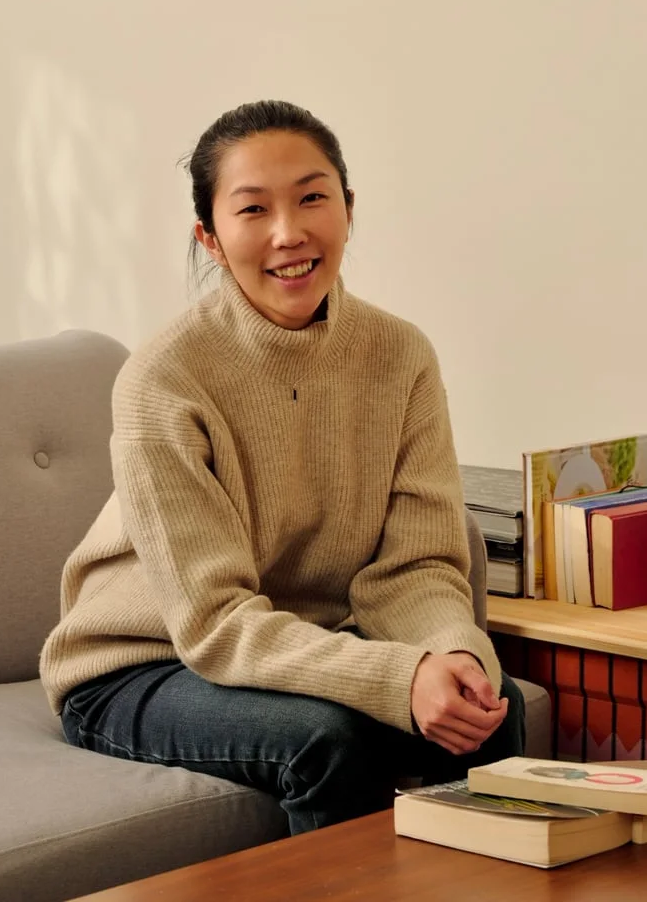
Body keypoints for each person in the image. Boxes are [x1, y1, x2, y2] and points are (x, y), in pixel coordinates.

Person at [39, 100, 525, 835]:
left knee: (490, 706)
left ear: (349, 208)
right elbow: (212, 622)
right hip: (142, 664)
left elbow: (416, 567)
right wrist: (397, 677)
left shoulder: (401, 356)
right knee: (327, 740)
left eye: (311, 198)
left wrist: (450, 654)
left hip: (298, 642)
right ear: (209, 238)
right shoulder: (163, 379)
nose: (289, 232)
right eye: (252, 209)